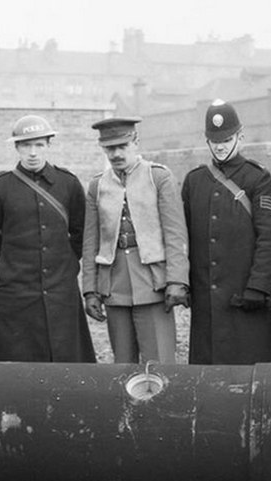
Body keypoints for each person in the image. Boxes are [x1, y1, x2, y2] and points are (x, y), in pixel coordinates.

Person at [0, 115, 95, 363]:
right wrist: (3, 267)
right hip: (15, 293)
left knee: (66, 362)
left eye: (39, 145)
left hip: (61, 290)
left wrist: (65, 262)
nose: (32, 152)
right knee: (15, 365)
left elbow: (81, 231)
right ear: (16, 147)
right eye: (26, 145)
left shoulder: (68, 184)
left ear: (48, 145)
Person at [181, 100, 271, 364]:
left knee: (250, 369)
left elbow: (270, 237)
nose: (220, 146)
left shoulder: (258, 178)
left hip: (245, 294)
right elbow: (183, 238)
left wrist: (259, 286)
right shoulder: (194, 181)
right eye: (214, 140)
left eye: (226, 139)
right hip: (206, 297)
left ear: (240, 137)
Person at [82, 117, 189, 364]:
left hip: (153, 284)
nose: (117, 154)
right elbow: (91, 243)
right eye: (110, 148)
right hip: (114, 286)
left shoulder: (158, 177)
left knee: (160, 365)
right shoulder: (97, 185)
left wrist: (177, 280)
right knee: (122, 368)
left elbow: (175, 234)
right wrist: (90, 290)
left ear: (136, 142)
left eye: (123, 146)